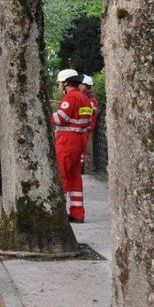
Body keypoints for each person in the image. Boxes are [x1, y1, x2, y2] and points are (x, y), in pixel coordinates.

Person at [51, 69, 92, 223]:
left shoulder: (70, 97)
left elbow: (60, 119)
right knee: (75, 177)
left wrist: (43, 115)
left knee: (62, 175)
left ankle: (59, 214)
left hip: (67, 141)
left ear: (66, 83)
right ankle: (77, 213)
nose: (58, 86)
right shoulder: (84, 98)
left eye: (59, 83)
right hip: (80, 140)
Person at [79, 75, 100, 169]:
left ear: (86, 86)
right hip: (84, 127)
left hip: (86, 127)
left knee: (81, 149)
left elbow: (88, 114)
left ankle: (82, 168)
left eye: (81, 84)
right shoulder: (85, 96)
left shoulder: (90, 98)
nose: (79, 86)